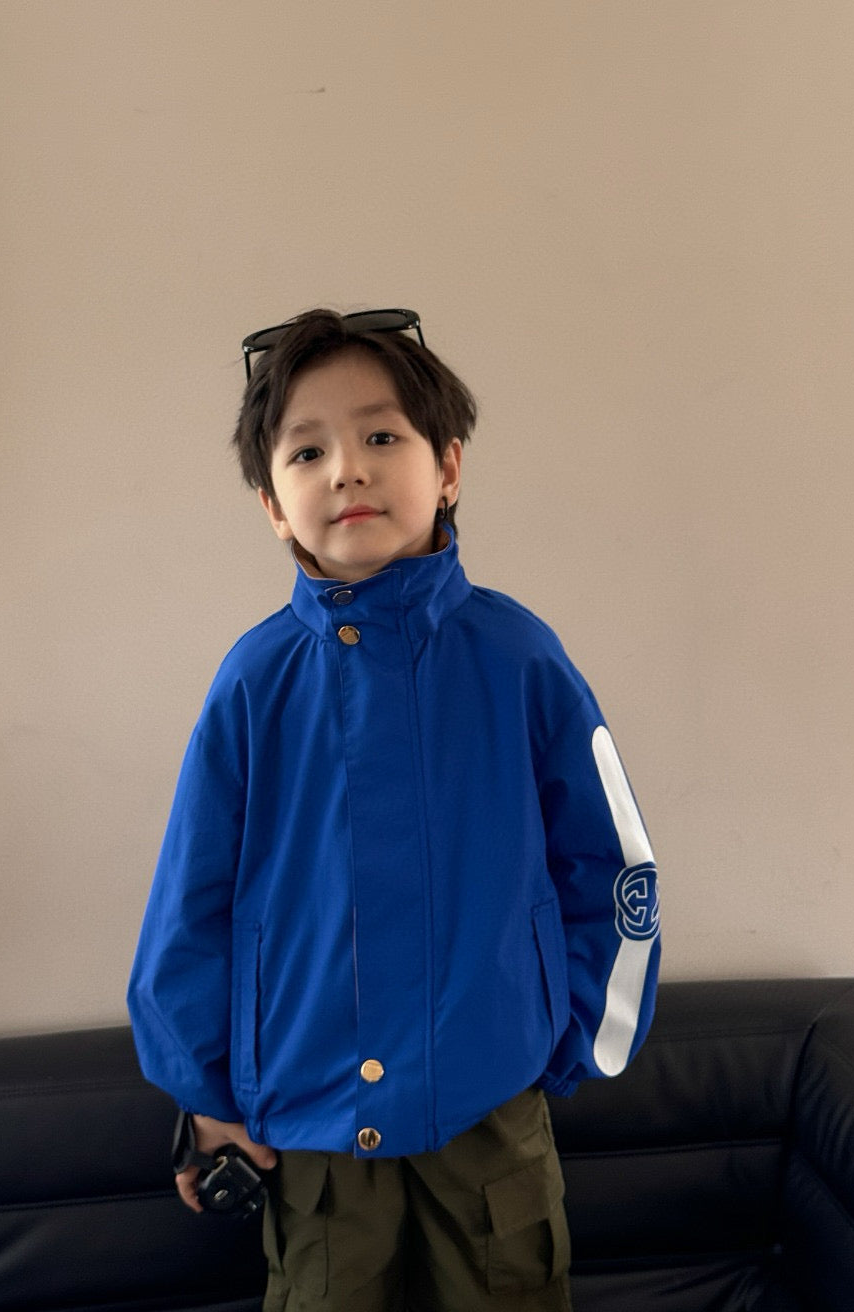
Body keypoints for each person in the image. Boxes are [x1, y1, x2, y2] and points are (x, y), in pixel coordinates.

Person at [127, 308, 660, 1312]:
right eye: (307, 451)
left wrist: (575, 1036)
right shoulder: (254, 683)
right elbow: (190, 902)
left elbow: (612, 861)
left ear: (448, 467)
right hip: (314, 1121)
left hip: (493, 1107)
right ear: (272, 505)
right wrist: (203, 1092)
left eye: (381, 435)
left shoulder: (519, 659)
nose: (348, 470)